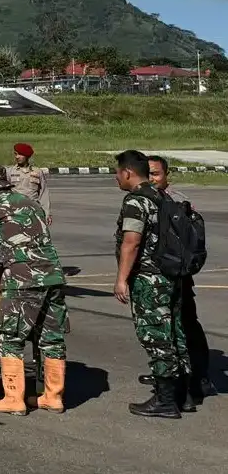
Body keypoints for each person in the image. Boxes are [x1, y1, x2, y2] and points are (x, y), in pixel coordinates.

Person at [0, 165, 69, 415]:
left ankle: (13, 398)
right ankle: (53, 396)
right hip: (53, 274)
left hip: (23, 278)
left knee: (9, 336)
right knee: (51, 337)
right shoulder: (30, 203)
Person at [113, 150, 193, 418]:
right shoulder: (162, 196)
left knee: (156, 337)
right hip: (171, 276)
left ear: (127, 172)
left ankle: (166, 401)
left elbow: (132, 242)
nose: (117, 178)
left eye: (118, 173)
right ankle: (184, 396)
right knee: (175, 334)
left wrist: (122, 279)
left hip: (149, 279)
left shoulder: (136, 201)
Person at [142, 155, 215, 404]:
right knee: (167, 327)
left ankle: (200, 377)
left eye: (156, 174)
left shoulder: (176, 200)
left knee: (186, 324)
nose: (151, 179)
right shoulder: (149, 199)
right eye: (147, 174)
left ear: (166, 175)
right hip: (158, 276)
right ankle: (171, 374)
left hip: (176, 274)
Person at [7, 143, 52, 224]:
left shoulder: (37, 172)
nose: (17, 157)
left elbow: (43, 193)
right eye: (16, 154)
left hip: (33, 212)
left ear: (27, 156)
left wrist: (47, 213)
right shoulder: (10, 172)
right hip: (15, 212)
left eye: (20, 154)